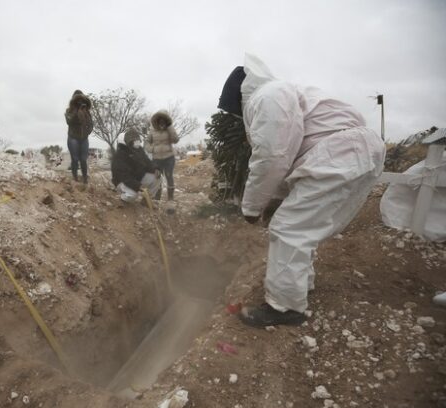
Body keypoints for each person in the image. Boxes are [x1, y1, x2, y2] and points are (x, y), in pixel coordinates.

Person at [218, 53, 385, 327]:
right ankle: (300, 287)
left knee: (289, 229)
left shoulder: (266, 96)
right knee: (300, 226)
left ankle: (285, 308)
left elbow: (273, 156)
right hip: (349, 151)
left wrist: (251, 207)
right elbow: (291, 151)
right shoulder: (279, 92)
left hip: (339, 151)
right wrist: (276, 199)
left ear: (239, 97)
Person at [111, 128, 161, 204]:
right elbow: (124, 176)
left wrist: (155, 168)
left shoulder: (138, 150)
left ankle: (146, 201)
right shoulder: (119, 156)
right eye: (134, 141)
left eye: (137, 140)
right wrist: (137, 186)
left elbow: (147, 162)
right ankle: (123, 198)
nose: (137, 142)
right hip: (122, 182)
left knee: (157, 178)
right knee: (133, 195)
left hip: (137, 179)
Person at [145, 110, 179, 202]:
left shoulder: (170, 129)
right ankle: (157, 199)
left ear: (166, 120)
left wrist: (170, 128)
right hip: (157, 159)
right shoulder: (152, 131)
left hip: (169, 158)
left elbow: (175, 140)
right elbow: (146, 142)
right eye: (160, 120)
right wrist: (151, 149)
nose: (161, 122)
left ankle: (170, 198)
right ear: (157, 121)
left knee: (169, 176)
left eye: (164, 120)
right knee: (157, 177)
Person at [65, 90, 93, 184]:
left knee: (83, 159)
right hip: (73, 138)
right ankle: (75, 178)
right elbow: (69, 121)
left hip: (84, 138)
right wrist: (76, 111)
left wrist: (87, 132)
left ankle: (85, 179)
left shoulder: (86, 111)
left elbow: (90, 124)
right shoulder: (68, 111)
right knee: (75, 159)